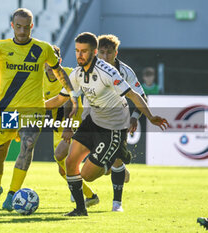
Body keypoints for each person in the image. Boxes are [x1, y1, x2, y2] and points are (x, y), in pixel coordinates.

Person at [0, 8, 78, 216]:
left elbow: (58, 71)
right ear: (12, 26)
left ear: (32, 26)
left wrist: (72, 93)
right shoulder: (0, 48)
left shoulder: (43, 49)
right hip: (7, 112)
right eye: (18, 26)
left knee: (27, 146)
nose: (22, 31)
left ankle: (13, 194)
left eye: (26, 27)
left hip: (33, 110)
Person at [45, 32, 168, 216]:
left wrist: (149, 117)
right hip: (93, 120)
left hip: (114, 127)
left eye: (84, 51)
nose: (79, 55)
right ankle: (80, 209)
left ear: (94, 52)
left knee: (87, 175)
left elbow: (133, 94)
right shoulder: (78, 73)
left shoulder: (108, 72)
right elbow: (60, 99)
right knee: (70, 161)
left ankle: (114, 157)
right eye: (77, 51)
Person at [43, 45, 99, 207]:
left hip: (74, 124)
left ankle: (85, 192)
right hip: (57, 127)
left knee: (60, 155)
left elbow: (68, 102)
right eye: (46, 60)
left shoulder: (69, 74)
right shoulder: (39, 79)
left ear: (58, 61)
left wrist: (68, 127)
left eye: (52, 59)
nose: (48, 63)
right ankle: (88, 195)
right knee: (62, 169)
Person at [97, 34, 147, 211]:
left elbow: (142, 97)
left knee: (116, 158)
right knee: (94, 161)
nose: (104, 57)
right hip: (94, 118)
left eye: (109, 53)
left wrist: (134, 117)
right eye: (101, 53)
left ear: (115, 52)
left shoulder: (126, 72)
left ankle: (116, 204)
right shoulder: (89, 68)